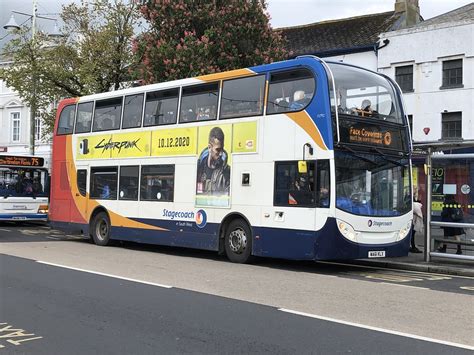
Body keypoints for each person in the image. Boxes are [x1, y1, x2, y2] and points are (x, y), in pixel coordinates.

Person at [196, 127, 230, 195]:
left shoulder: (226, 172)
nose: (220, 154)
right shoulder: (198, 168)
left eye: (222, 149)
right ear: (209, 147)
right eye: (217, 150)